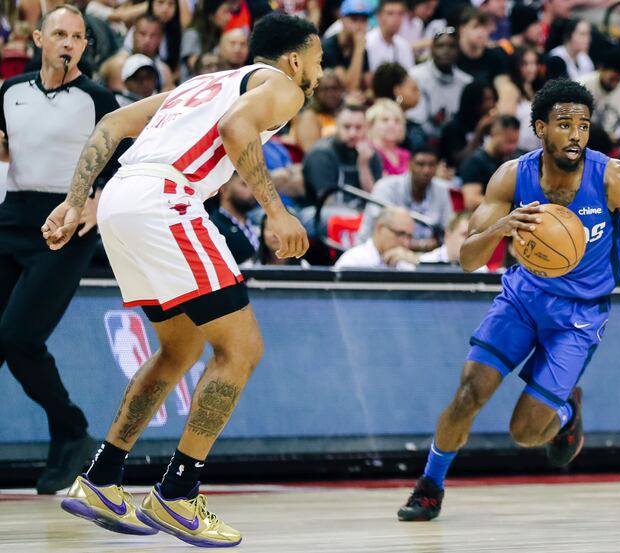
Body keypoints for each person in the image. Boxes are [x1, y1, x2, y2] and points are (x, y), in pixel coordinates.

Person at [42, 14, 322, 546]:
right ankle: (178, 492)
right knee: (241, 350)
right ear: (293, 59)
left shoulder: (200, 83)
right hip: (167, 201)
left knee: (179, 350)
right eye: (318, 59)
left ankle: (101, 478)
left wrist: (77, 202)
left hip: (121, 201)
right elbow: (235, 130)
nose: (320, 71)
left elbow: (111, 125)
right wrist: (277, 213)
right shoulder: (283, 86)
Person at [396, 78, 620, 521]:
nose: (576, 135)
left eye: (583, 125)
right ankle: (430, 485)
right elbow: (469, 259)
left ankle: (566, 412)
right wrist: (499, 228)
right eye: (564, 125)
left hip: (580, 315)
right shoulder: (512, 177)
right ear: (541, 128)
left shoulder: (613, 178)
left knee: (526, 433)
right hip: (524, 298)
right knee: (470, 392)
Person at [0, 4, 121, 495]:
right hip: (11, 218)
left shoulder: (97, 98)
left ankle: (73, 432)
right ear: (38, 38)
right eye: (60, 34)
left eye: (77, 36)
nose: (69, 43)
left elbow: (121, 161)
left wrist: (97, 201)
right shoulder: (10, 92)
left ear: (85, 47)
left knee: (18, 337)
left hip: (65, 227)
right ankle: (68, 438)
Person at [356, 146, 453, 249]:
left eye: (431, 165)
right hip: (377, 253)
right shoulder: (386, 187)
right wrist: (421, 245)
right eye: (420, 164)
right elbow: (384, 236)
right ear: (410, 164)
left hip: (419, 256)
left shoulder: (441, 190)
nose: (426, 170)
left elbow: (448, 229)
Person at [334, 206, 418, 269]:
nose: (406, 242)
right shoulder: (354, 261)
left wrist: (416, 262)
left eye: (409, 237)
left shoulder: (406, 262)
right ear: (380, 228)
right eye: (400, 234)